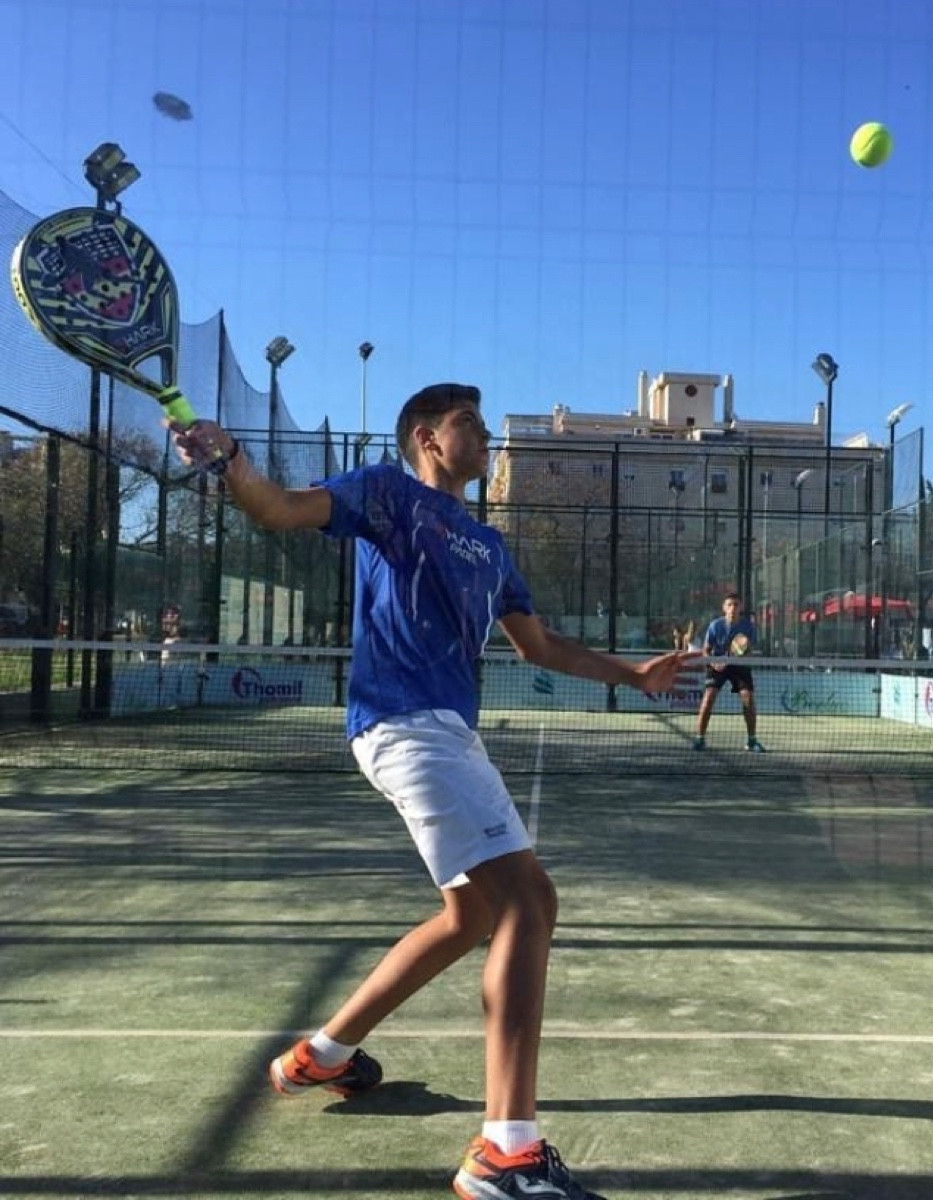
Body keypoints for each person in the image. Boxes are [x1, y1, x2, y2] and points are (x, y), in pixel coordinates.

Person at [170, 383, 700, 1200]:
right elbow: (278, 509)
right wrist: (231, 459)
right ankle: (506, 1154)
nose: (485, 437)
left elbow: (540, 645)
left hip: (450, 731)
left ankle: (324, 1054)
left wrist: (633, 674)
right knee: (529, 899)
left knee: (474, 915)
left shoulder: (489, 545)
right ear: (427, 438)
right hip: (402, 724)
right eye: (469, 425)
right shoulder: (385, 494)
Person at [693, 591, 765, 752]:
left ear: (741, 607)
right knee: (709, 697)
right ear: (724, 608)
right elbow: (706, 650)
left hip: (740, 666)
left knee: (748, 699)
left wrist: (742, 655)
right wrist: (713, 662)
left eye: (736, 605)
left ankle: (751, 741)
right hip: (717, 665)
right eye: (729, 605)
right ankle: (700, 739)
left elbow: (749, 650)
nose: (733, 608)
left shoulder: (748, 626)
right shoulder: (715, 625)